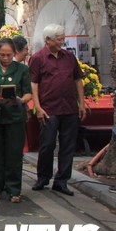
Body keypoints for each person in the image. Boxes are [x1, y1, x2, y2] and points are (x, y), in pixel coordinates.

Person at [30, 24, 86, 196]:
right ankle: (43, 177)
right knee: (47, 144)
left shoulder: (69, 56)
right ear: (48, 40)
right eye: (59, 39)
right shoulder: (38, 58)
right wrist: (37, 107)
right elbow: (34, 83)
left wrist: (81, 103)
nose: (62, 41)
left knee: (68, 145)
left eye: (62, 38)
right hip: (49, 108)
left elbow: (77, 80)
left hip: (69, 107)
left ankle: (62, 180)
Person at [0, 38, 32, 203]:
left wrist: (19, 100)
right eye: (2, 55)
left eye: (9, 55)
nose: (5, 58)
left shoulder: (22, 69)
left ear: (14, 54)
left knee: (14, 153)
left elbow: (28, 93)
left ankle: (14, 189)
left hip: (14, 116)